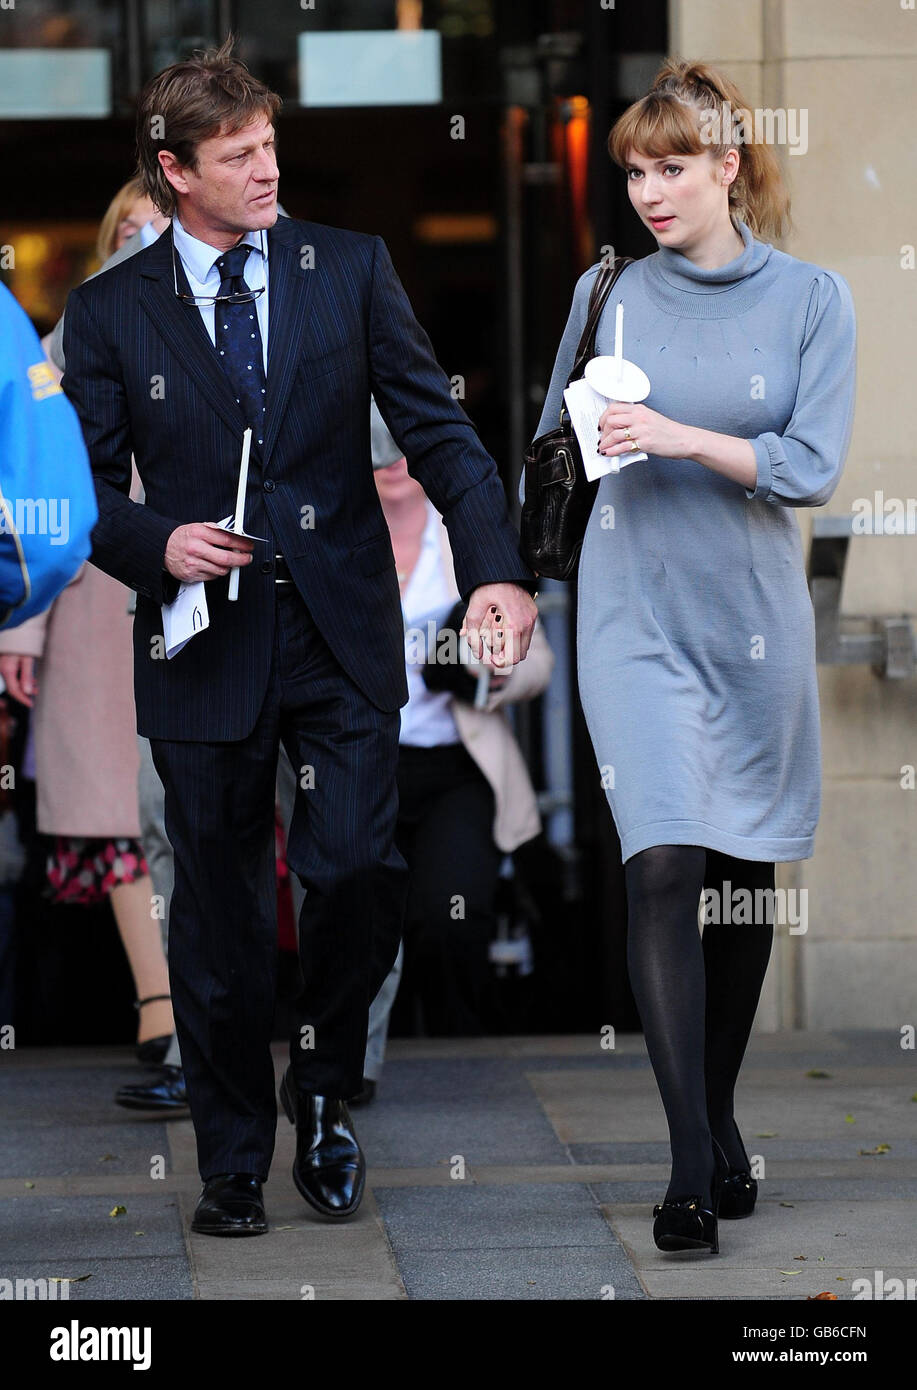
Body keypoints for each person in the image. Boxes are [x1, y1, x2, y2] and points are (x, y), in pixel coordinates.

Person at [61, 38, 537, 1238]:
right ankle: (230, 1161)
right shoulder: (112, 309)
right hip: (202, 640)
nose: (267, 168)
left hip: (339, 630)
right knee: (216, 915)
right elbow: (79, 493)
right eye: (237, 156)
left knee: (356, 875)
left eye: (269, 144)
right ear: (175, 172)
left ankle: (322, 1091)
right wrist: (153, 542)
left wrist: (496, 573)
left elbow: (437, 431)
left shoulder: (350, 268)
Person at [532, 59, 855, 1255]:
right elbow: (548, 435)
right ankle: (681, 1165)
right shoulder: (605, 287)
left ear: (727, 165)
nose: (649, 190)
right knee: (660, 864)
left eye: (672, 166)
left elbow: (810, 464)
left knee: (739, 873)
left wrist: (675, 432)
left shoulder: (814, 298)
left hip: (750, 619)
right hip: (633, 616)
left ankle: (718, 1113)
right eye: (632, 169)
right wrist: (589, 433)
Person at [354, 454, 553, 1093]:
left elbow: (538, 664)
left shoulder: (465, 534)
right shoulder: (330, 526)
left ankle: (459, 1067)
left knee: (449, 918)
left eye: (398, 442)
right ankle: (354, 1067)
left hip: (455, 767)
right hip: (360, 764)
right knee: (361, 920)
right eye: (371, 442)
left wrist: (481, 671)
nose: (386, 459)